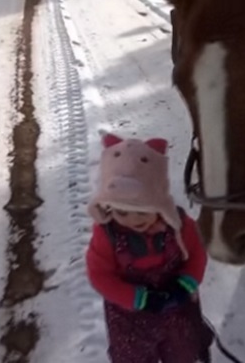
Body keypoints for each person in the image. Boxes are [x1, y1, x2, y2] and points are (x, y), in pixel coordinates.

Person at [85, 132, 214, 363]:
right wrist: (137, 298)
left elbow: (196, 255)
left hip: (177, 305)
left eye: (143, 210)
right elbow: (99, 275)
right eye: (122, 212)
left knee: (183, 352)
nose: (133, 220)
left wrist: (185, 284)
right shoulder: (107, 234)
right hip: (130, 318)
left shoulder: (179, 226)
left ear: (160, 203)